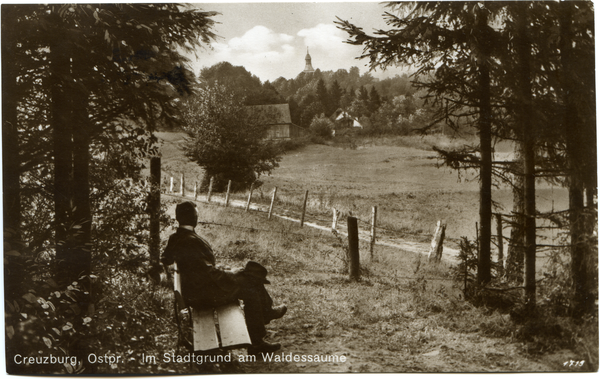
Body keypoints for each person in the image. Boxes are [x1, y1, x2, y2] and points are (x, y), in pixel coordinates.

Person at [161, 201, 287, 353]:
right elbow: (208, 274)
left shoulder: (177, 238)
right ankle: (258, 338)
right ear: (193, 217)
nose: (197, 216)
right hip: (203, 294)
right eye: (196, 214)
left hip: (197, 290)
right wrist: (231, 273)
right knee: (249, 284)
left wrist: (228, 271)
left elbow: (168, 258)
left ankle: (264, 320)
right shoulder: (190, 240)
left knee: (249, 279)